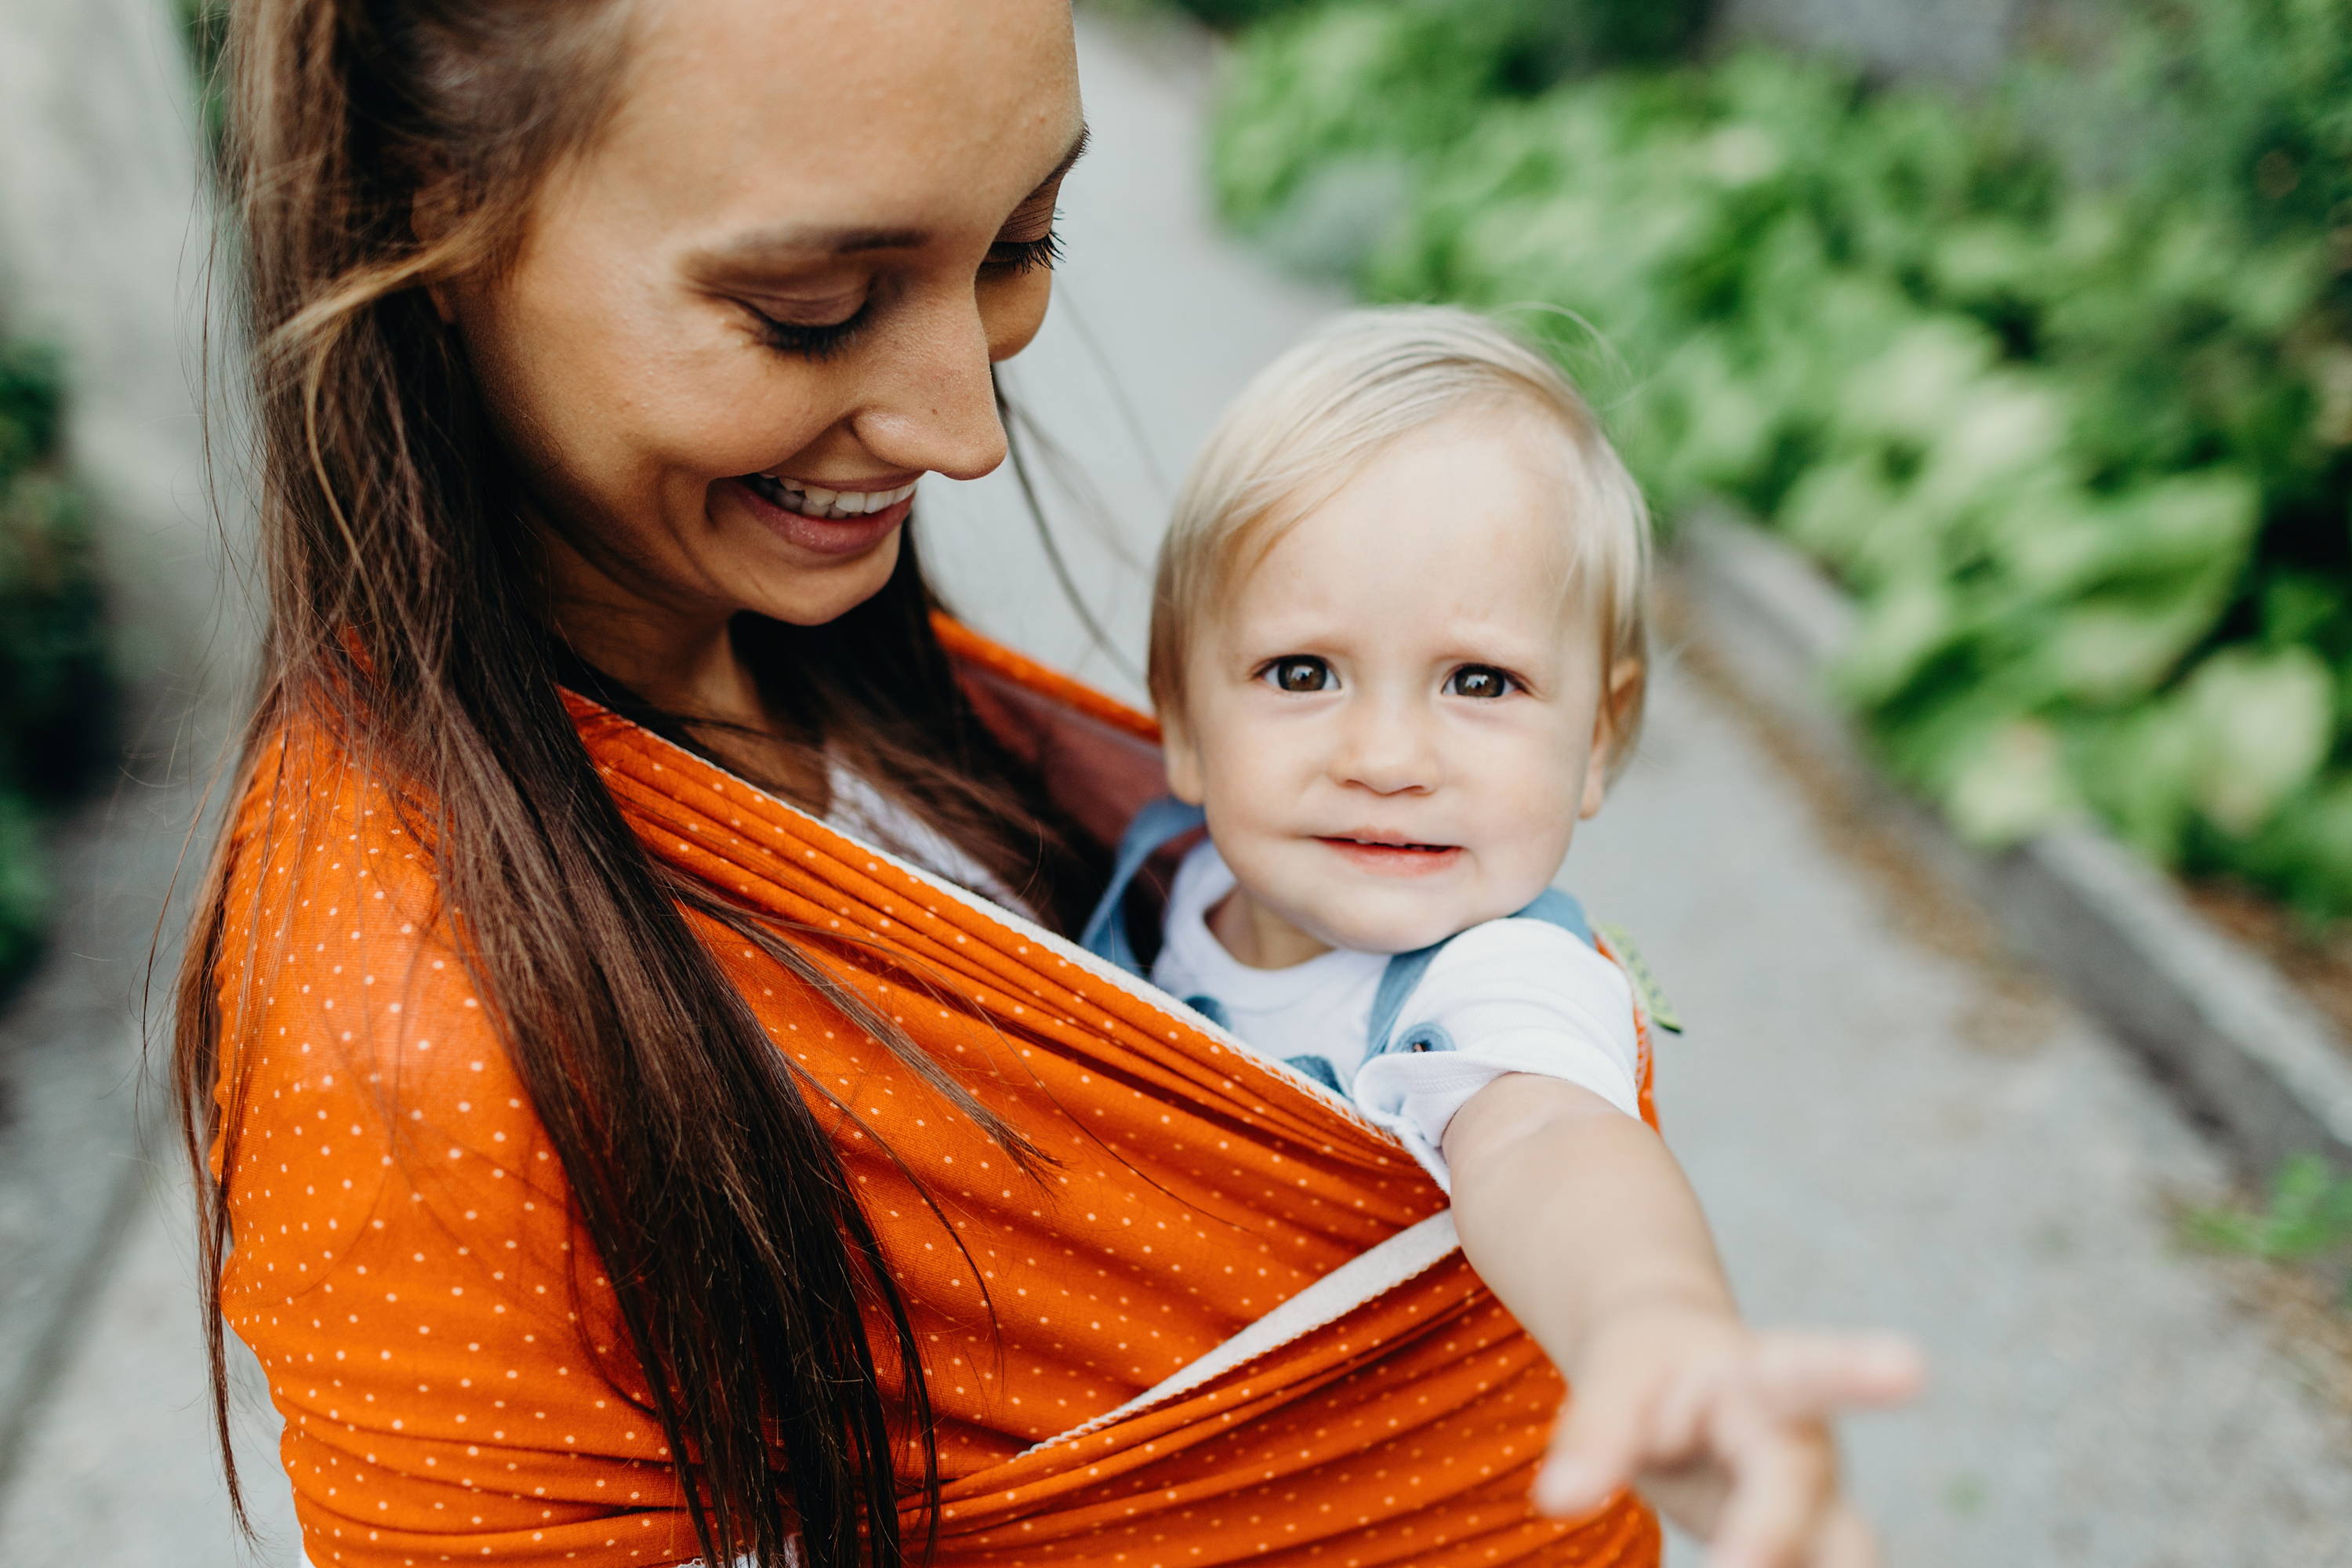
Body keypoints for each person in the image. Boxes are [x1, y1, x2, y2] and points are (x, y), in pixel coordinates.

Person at [174, 3, 1842, 1567]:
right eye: (812, 310)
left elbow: (1538, 1131)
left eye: (1020, 247)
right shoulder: (397, 1030)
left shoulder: (814, 665)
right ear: (426, 218)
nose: (964, 430)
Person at [1083, 307, 1924, 1567]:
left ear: (1597, 736)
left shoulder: (1493, 979)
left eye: (1481, 682)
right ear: (1184, 718)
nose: (1386, 759)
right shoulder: (1156, 868)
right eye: (1303, 673)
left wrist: (1652, 1325)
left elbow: (1548, 1142)